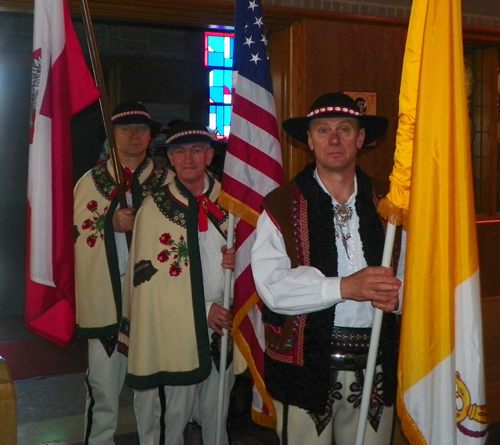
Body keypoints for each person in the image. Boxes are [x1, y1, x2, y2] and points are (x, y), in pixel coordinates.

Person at [251, 93, 405, 445]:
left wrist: (398, 298)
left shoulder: (391, 206)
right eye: (323, 130)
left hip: (377, 365)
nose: (334, 140)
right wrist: (343, 288)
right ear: (310, 141)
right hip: (305, 367)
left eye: (345, 130)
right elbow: (271, 288)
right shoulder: (280, 204)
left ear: (361, 139)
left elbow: (414, 274)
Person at [119, 120, 236, 445]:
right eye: (179, 151)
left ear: (209, 155)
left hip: (225, 328)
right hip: (175, 331)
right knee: (173, 421)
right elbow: (147, 282)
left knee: (217, 419)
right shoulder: (153, 209)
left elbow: (263, 264)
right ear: (169, 159)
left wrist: (239, 262)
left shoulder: (234, 204)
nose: (188, 159)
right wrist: (204, 310)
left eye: (196, 150)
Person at [74, 101, 174, 445]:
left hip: (152, 300)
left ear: (151, 136)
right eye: (125, 129)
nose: (135, 135)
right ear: (112, 135)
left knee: (151, 388)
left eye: (142, 129)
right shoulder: (90, 183)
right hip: (107, 297)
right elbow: (76, 238)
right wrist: (108, 224)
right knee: (103, 387)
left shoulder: (167, 181)